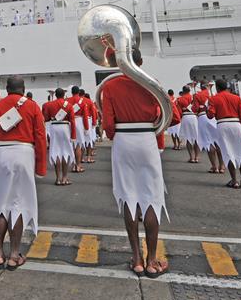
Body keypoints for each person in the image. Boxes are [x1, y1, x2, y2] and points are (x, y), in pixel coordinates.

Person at [100, 48, 169, 278]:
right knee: (152, 198)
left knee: (129, 197)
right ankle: (151, 260)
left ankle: (137, 259)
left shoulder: (109, 86)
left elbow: (108, 124)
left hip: (123, 141)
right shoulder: (152, 83)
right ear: (141, 61)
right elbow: (171, 115)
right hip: (147, 138)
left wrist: (116, 133)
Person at [0, 76, 47, 270]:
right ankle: (14, 254)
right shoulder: (33, 106)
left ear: (7, 89)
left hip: (1, 154)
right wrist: (41, 167)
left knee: (0, 204)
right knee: (17, 204)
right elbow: (40, 137)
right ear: (23, 88)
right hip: (23, 153)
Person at [207, 79, 241, 188]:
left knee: (228, 152)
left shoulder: (213, 99)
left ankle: (234, 181)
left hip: (222, 124)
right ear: (227, 87)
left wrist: (207, 109)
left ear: (217, 88)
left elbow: (210, 115)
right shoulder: (236, 98)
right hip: (236, 124)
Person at [42, 88, 76, 186]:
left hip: (54, 127)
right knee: (65, 152)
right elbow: (72, 121)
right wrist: (73, 135)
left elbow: (46, 118)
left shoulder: (49, 105)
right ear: (64, 94)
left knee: (56, 152)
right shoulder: (69, 105)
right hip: (65, 127)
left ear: (55, 95)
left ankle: (58, 179)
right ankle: (64, 178)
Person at [194, 81, 223, 173]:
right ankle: (222, 166)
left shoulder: (197, 95)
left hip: (203, 117)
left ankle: (214, 166)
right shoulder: (214, 94)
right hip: (214, 118)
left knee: (208, 142)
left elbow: (195, 108)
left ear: (200, 87)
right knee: (218, 142)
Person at [67, 86, 90, 172]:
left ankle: (73, 165)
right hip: (79, 121)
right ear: (78, 92)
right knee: (78, 145)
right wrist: (87, 128)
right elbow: (85, 116)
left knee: (72, 144)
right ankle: (78, 166)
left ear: (72, 92)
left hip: (69, 122)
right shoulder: (82, 102)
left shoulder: (67, 100)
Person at [176, 86, 199, 162]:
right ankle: (196, 157)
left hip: (185, 117)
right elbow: (197, 108)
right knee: (196, 137)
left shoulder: (180, 99)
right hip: (194, 117)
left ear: (183, 91)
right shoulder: (194, 97)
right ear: (189, 91)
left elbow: (179, 112)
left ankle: (191, 157)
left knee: (188, 138)